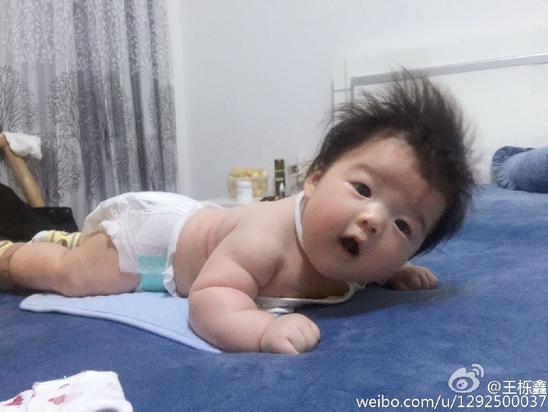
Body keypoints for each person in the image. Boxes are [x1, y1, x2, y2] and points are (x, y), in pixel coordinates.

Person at [0, 70, 475, 354]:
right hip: (156, 247)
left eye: (403, 226)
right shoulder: (265, 241)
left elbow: (368, 259)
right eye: (363, 188)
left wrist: (393, 271)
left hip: (201, 227)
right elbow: (210, 300)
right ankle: (13, 256)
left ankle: (66, 242)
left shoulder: (358, 252)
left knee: (81, 258)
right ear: (314, 178)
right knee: (73, 275)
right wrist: (262, 331)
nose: (374, 220)